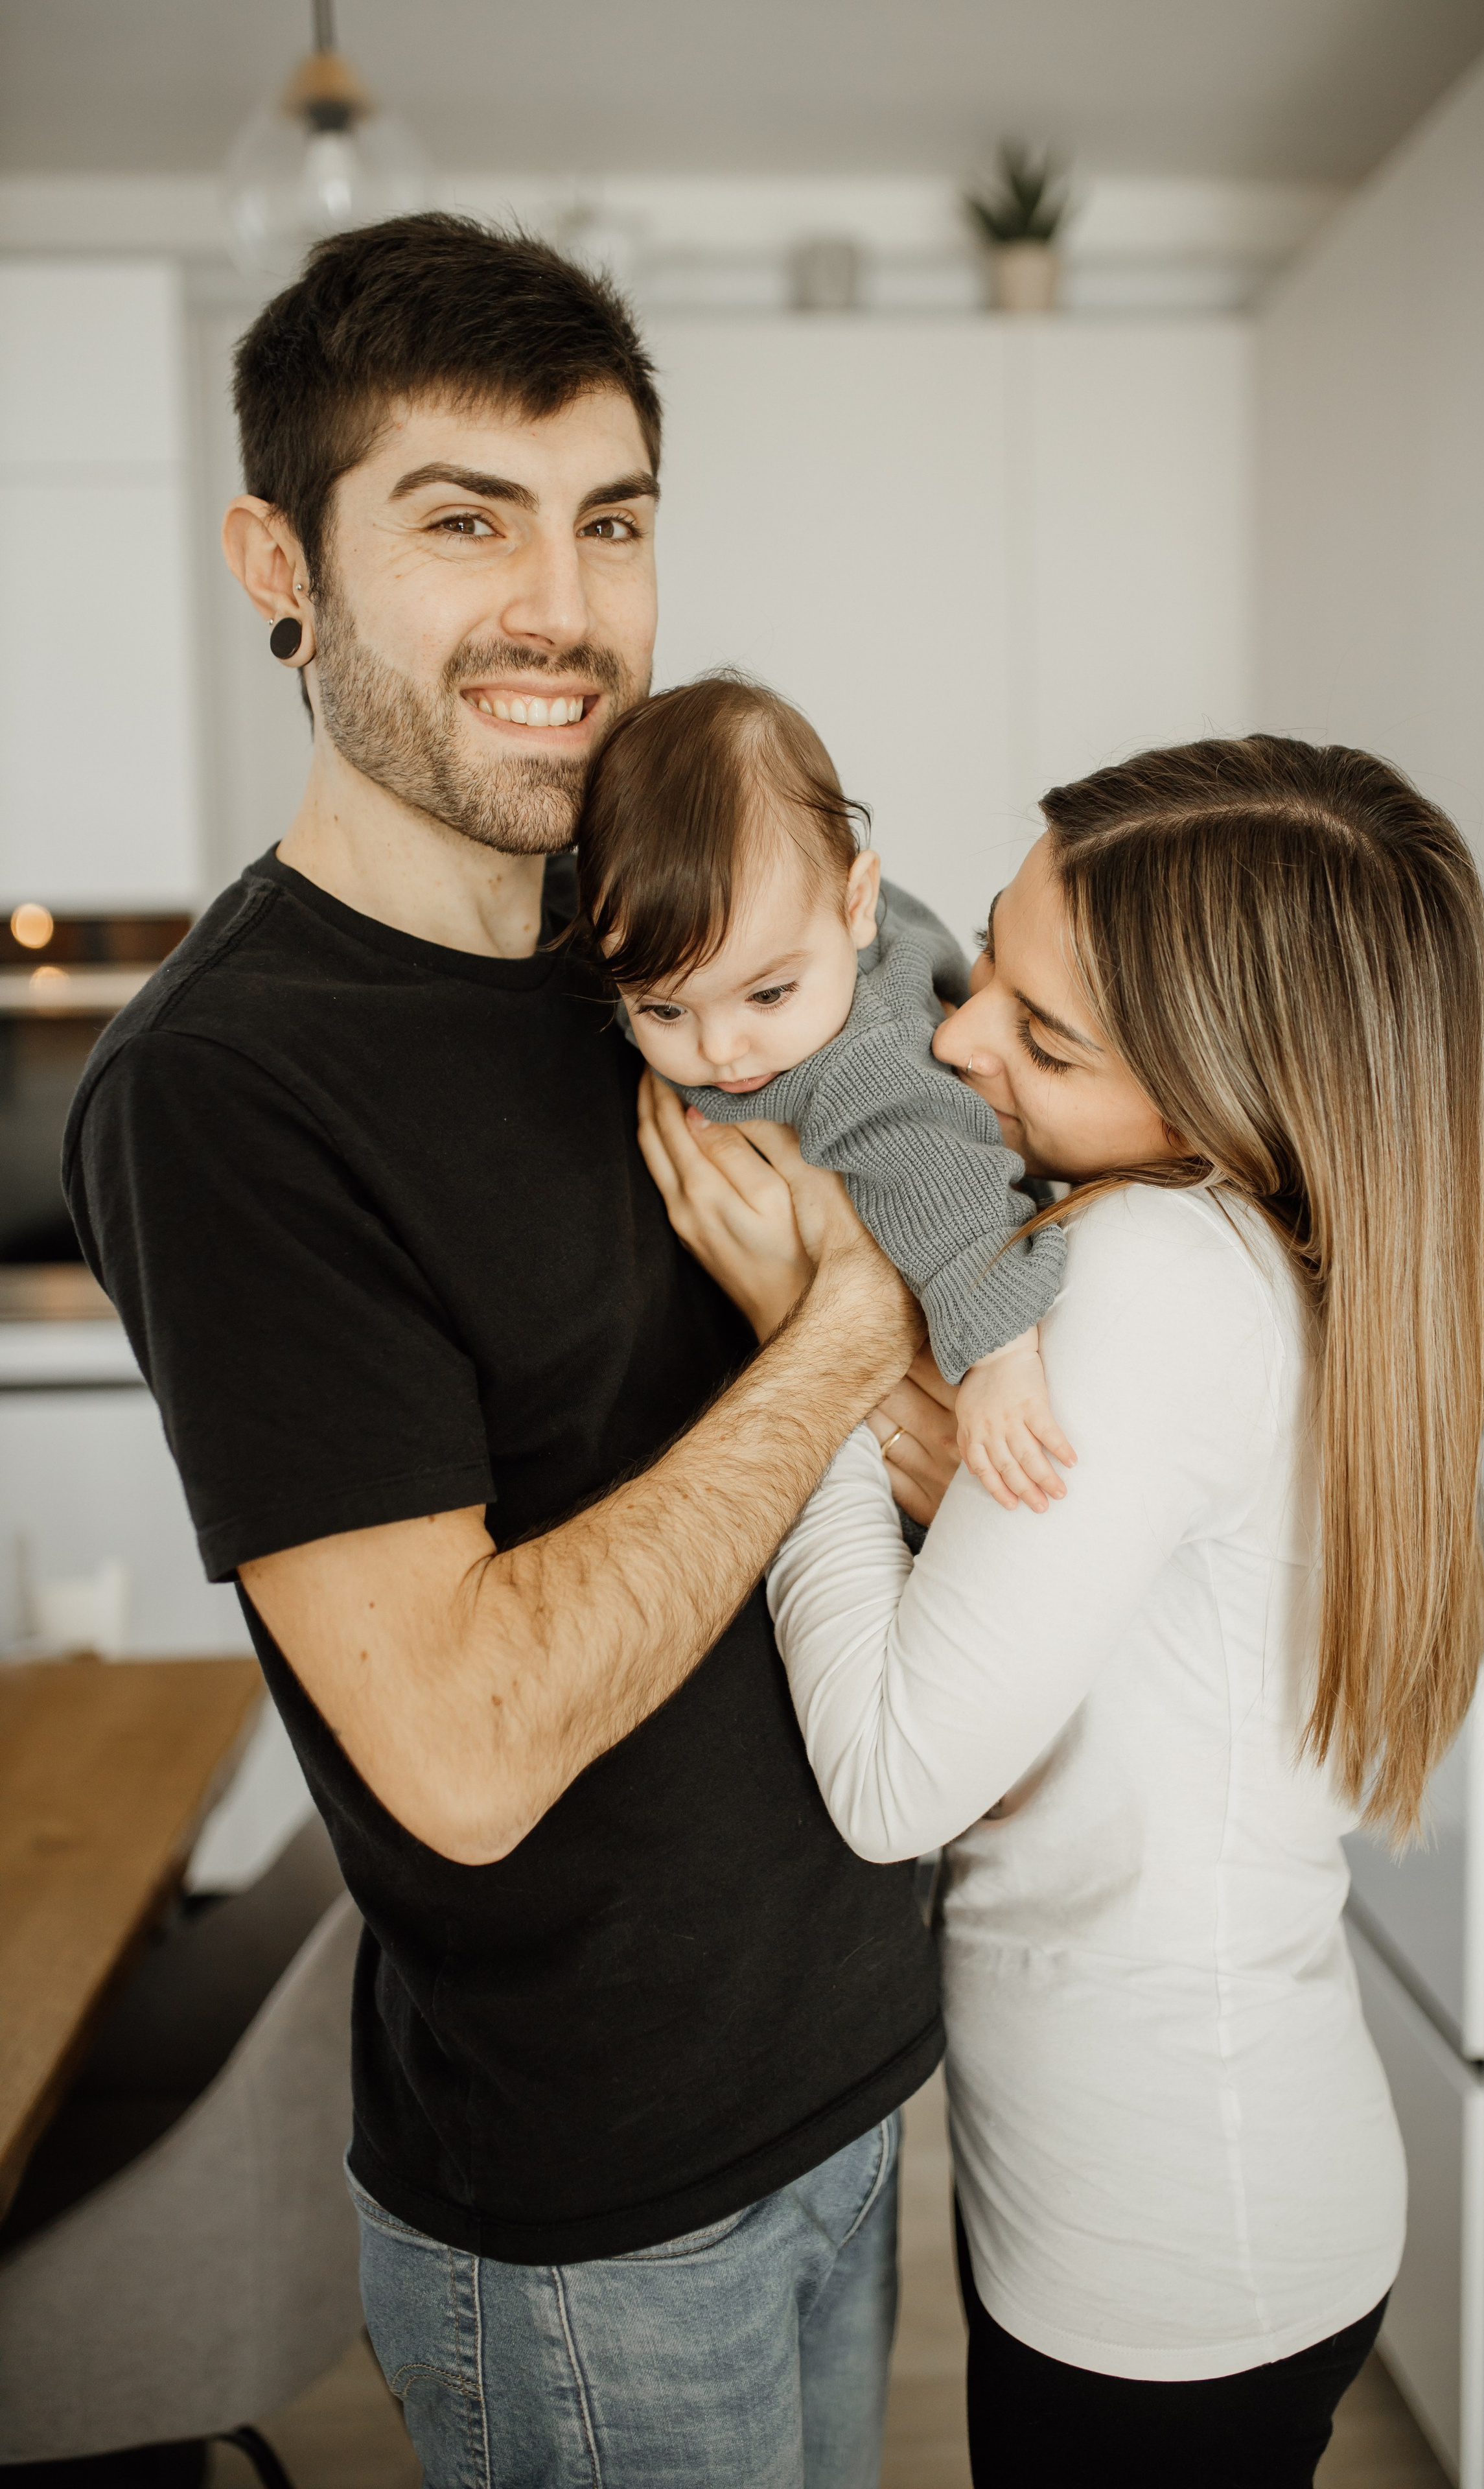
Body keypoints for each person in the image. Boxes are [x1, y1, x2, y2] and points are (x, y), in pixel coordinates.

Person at [62, 213, 957, 2489]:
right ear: (284, 561)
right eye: (465, 522)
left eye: (611, 522)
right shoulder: (226, 1089)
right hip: (599, 2236)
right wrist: (840, 1343)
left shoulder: (665, 936)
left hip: (859, 2094)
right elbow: (459, 1750)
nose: (562, 607)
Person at [652, 736, 1484, 2488]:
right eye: (986, 966)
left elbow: (893, 1781)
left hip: (1166, 2235)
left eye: (1046, 1040)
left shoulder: (1148, 1275)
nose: (959, 1039)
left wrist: (799, 1356)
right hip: (1212, 2178)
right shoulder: (1255, 1248)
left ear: (1227, 1093)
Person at [576, 671, 1075, 1514]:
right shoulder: (786, 929)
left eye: (767, 995)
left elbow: (943, 1180)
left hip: (959, 1331)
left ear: (857, 905)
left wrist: (1000, 1359)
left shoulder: (867, 1062)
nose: (720, 1048)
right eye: (662, 1009)